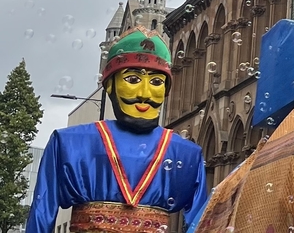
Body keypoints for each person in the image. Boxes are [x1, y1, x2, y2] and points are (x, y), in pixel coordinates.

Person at [27, 26, 208, 233]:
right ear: (110, 84)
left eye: (157, 82)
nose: (144, 93)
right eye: (132, 79)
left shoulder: (188, 155)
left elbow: (203, 224)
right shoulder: (67, 144)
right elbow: (42, 213)